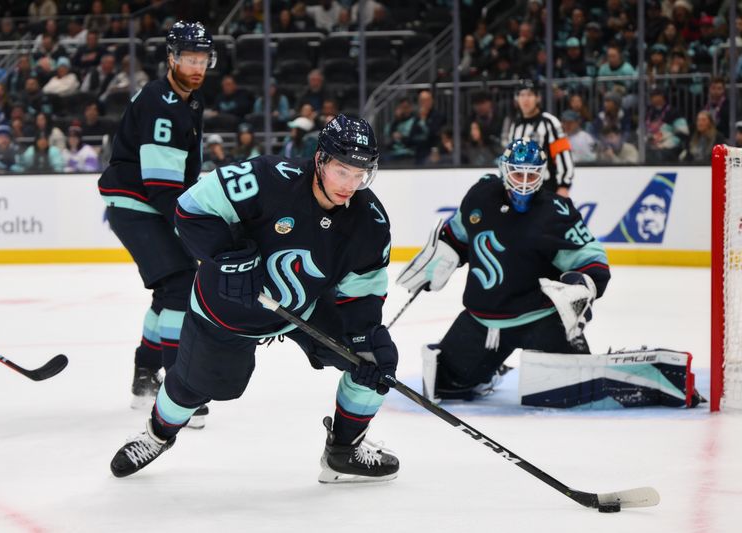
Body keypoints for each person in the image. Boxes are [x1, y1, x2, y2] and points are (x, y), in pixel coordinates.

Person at [109, 114, 401, 484]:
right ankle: (156, 434)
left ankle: (343, 451)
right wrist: (228, 256)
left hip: (303, 307)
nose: (351, 184)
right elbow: (191, 208)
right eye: (343, 171)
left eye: (361, 174)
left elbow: (365, 287)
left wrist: (363, 335)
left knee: (374, 356)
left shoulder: (370, 222)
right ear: (320, 160)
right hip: (225, 308)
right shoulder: (267, 178)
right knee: (192, 387)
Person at [396, 138, 610, 402]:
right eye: (518, 173)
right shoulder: (480, 195)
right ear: (504, 170)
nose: (523, 181)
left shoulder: (555, 211)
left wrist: (583, 283)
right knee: (445, 387)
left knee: (574, 391)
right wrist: (443, 252)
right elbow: (458, 233)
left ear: (542, 174)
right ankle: (490, 367)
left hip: (539, 318)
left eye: (531, 174)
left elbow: (591, 258)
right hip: (483, 322)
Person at [97, 21, 218, 427]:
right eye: (189, 58)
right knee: (180, 284)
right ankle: (177, 387)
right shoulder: (163, 101)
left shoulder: (188, 100)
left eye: (203, 59)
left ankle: (146, 374)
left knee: (171, 286)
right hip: (138, 204)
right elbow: (162, 186)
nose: (197, 67)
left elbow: (176, 181)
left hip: (146, 202)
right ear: (172, 58)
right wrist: (195, 228)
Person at [502, 81, 575, 196]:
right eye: (522, 95)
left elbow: (563, 153)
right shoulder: (515, 125)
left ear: (538, 98)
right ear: (517, 99)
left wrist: (564, 185)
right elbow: (509, 158)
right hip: (520, 188)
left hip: (547, 187)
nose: (525, 99)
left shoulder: (549, 122)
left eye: (530, 95)